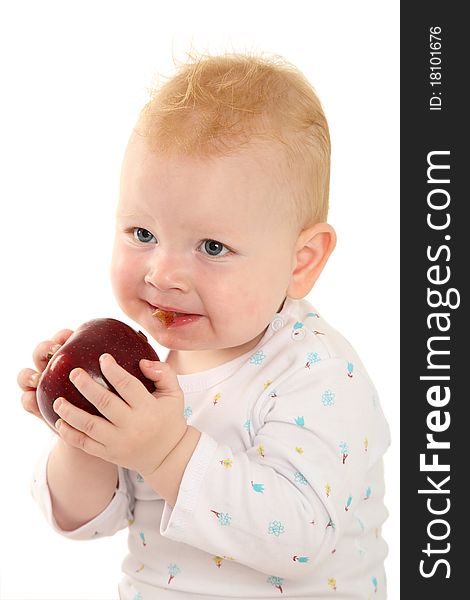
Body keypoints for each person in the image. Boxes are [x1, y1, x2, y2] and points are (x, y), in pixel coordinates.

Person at [18, 53, 390, 599]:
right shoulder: (147, 366)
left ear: (301, 260)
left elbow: (298, 539)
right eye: (142, 233)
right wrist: (83, 435)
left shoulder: (317, 373)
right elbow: (83, 521)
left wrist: (165, 451)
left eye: (212, 247)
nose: (163, 274)